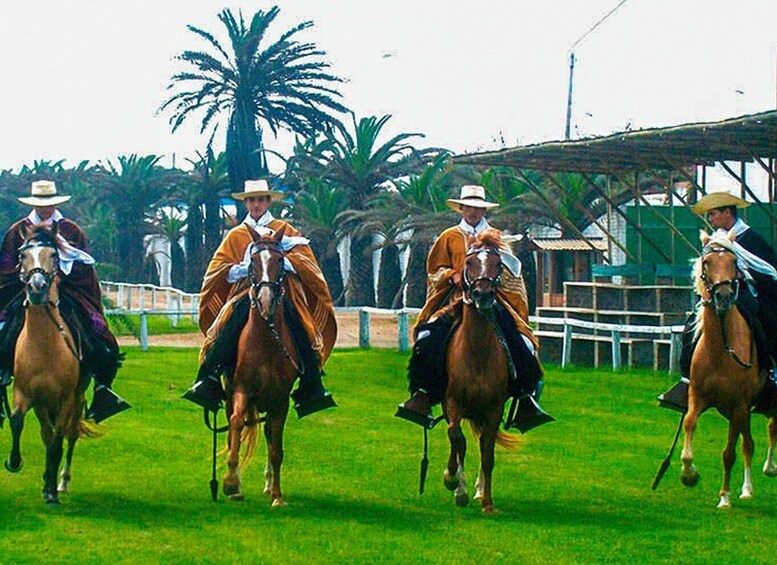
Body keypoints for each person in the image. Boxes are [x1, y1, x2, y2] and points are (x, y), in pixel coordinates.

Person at [395, 184, 553, 432]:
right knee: (427, 338)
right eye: (469, 207)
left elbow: (512, 272)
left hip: (492, 301)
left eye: (478, 207)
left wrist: (494, 283)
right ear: (462, 208)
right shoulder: (448, 237)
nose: (473, 211)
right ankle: (422, 395)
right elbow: (433, 270)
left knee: (523, 343)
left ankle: (525, 399)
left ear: (483, 210)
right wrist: (451, 275)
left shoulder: (497, 238)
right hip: (455, 302)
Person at [183, 179, 337, 418]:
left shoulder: (287, 230)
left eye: (260, 199)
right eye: (251, 200)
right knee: (227, 324)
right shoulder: (235, 235)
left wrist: (283, 261)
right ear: (246, 203)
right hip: (246, 292)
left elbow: (307, 265)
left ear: (268, 201)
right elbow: (219, 269)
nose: (256, 204)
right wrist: (246, 268)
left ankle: (312, 383)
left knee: (299, 323)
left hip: (280, 291)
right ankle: (209, 377)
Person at [0, 180, 129, 424]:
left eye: (48, 204)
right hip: (25, 291)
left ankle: (102, 390)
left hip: (66, 293)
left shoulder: (70, 230)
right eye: (41, 204)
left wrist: (58, 278)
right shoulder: (18, 231)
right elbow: (5, 265)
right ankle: (2, 376)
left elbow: (84, 266)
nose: (45, 208)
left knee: (100, 334)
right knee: (3, 327)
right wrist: (26, 276)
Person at [659, 191, 777, 415]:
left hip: (748, 295)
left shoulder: (751, 239)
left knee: (763, 324)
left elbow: (770, 270)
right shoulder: (715, 240)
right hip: (716, 296)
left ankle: (769, 376)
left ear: (727, 213)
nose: (711, 220)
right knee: (692, 326)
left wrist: (743, 276)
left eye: (714, 215)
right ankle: (688, 378)